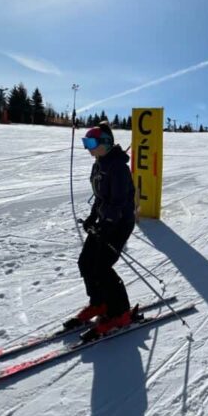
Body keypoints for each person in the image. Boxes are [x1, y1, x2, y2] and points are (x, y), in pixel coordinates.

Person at [65, 121, 138, 341]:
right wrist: (92, 217)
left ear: (105, 143)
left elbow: (119, 201)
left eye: (91, 143)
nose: (87, 147)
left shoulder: (118, 167)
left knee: (102, 267)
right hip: (105, 221)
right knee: (86, 262)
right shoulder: (99, 165)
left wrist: (107, 223)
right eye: (85, 142)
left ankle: (120, 312)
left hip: (120, 222)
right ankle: (99, 303)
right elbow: (100, 198)